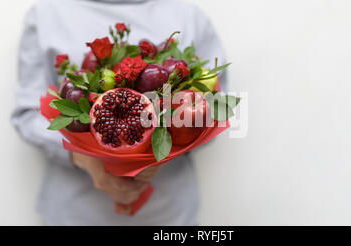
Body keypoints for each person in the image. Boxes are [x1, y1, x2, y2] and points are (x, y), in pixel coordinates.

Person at [12, 0, 227, 226]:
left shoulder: (189, 16)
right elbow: (28, 114)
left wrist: (161, 154)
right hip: (76, 212)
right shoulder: (46, 14)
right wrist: (82, 158)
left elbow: (217, 108)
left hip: (167, 215)